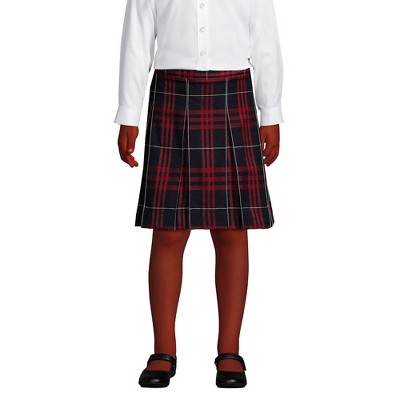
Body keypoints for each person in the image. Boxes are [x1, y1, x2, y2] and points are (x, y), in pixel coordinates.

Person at [114, 0, 284, 389]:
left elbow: (265, 41)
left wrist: (271, 110)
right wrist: (128, 112)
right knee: (168, 230)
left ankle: (230, 351)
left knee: (232, 230)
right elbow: (137, 41)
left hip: (233, 94)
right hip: (171, 98)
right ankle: (163, 350)